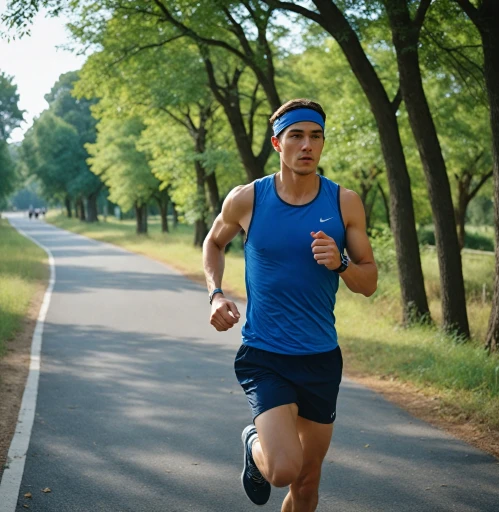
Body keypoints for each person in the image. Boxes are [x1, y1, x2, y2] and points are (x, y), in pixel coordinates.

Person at [202, 98, 378, 511]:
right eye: (296, 136)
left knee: (306, 484)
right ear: (278, 144)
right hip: (266, 356)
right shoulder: (248, 199)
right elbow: (213, 242)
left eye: (315, 136)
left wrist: (342, 263)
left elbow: (368, 282)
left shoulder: (343, 203)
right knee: (283, 470)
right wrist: (215, 293)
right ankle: (253, 441)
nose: (307, 145)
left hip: (320, 359)